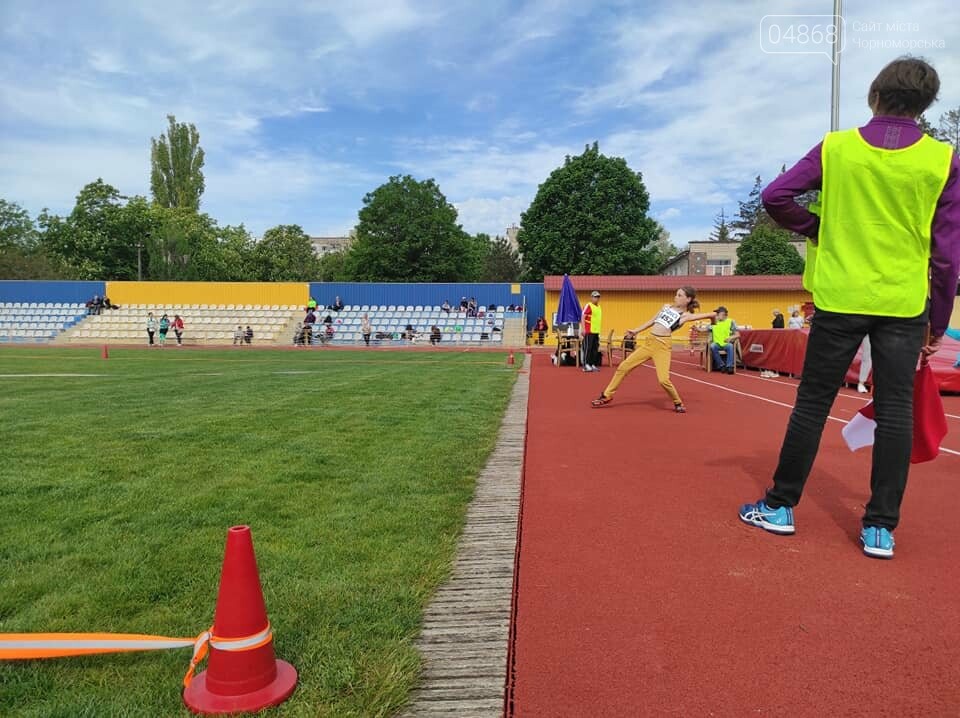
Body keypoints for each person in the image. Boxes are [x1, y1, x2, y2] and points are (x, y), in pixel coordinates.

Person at [739, 57, 959, 560]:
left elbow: (776, 196)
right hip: (904, 302)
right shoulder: (942, 161)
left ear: (874, 95)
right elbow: (948, 255)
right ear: (925, 107)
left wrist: (817, 227)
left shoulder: (837, 148)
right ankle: (880, 528)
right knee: (897, 411)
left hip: (840, 296)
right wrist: (937, 322)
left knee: (813, 404)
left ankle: (780, 507)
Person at [592, 287, 715, 413]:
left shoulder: (685, 316)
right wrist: (636, 330)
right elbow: (652, 321)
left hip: (662, 346)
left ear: (688, 299)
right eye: (676, 294)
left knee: (663, 380)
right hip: (649, 343)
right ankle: (607, 395)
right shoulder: (666, 307)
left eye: (679, 295)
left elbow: (711, 314)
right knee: (623, 367)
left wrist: (713, 319)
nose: (675, 297)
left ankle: (677, 402)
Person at [708, 306, 739, 374]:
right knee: (712, 346)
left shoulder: (731, 321)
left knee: (730, 346)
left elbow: (737, 334)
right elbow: (706, 329)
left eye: (717, 314)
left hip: (726, 343)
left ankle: (729, 367)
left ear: (723, 314)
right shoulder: (714, 322)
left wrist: (730, 338)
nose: (716, 315)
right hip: (717, 343)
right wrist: (698, 329)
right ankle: (721, 365)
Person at [580, 291, 603, 372]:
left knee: (595, 348)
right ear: (591, 297)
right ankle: (586, 365)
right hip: (589, 331)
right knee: (588, 348)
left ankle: (592, 364)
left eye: (598, 297)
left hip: (596, 331)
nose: (596, 298)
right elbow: (583, 316)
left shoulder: (599, 307)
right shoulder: (589, 305)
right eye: (595, 297)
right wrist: (583, 329)